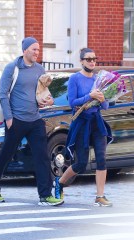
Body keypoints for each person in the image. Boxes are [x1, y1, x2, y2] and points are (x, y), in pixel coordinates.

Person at [0, 36, 64, 206]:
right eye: (34, 49)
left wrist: (48, 101)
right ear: (25, 51)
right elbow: (3, 94)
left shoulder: (39, 69)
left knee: (42, 157)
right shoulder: (12, 68)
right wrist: (9, 118)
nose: (37, 52)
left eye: (38, 49)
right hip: (16, 120)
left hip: (35, 120)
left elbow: (43, 93)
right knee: (6, 155)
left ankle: (45, 195)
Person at [55, 48, 113, 207]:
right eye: (88, 59)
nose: (92, 61)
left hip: (96, 121)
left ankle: (100, 196)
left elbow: (106, 106)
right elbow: (72, 102)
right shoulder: (75, 79)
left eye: (94, 58)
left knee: (101, 158)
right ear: (81, 61)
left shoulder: (99, 79)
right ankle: (60, 183)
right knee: (81, 163)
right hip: (81, 122)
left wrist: (102, 99)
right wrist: (90, 96)